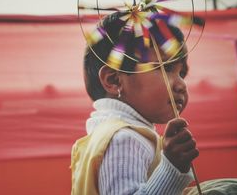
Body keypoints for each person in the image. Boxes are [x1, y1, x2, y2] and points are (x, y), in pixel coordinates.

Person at [71, 11, 199, 194]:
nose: (181, 85)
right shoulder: (124, 139)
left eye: (182, 73)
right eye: (166, 68)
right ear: (114, 80)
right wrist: (172, 167)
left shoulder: (115, 134)